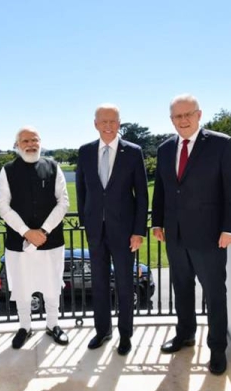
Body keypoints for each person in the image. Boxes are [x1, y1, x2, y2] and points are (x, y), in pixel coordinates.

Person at [152, 94, 231, 375]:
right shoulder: (165, 148)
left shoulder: (221, 144)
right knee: (181, 287)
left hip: (210, 235)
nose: (183, 120)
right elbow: (162, 190)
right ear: (171, 120)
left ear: (199, 114)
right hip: (175, 235)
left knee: (214, 293)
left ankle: (217, 349)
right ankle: (185, 334)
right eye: (177, 116)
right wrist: (157, 222)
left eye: (187, 114)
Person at [75, 103, 149, 356]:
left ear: (120, 124)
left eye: (113, 121)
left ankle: (125, 335)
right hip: (95, 231)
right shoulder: (85, 152)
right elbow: (82, 191)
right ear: (95, 124)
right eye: (103, 121)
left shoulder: (133, 152)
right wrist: (87, 222)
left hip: (125, 232)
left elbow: (142, 195)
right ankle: (102, 331)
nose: (108, 126)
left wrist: (139, 231)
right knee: (98, 283)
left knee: (126, 284)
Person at [0, 126, 70, 349]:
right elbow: (3, 206)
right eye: (25, 141)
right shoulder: (7, 170)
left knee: (51, 285)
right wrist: (27, 232)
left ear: (40, 142)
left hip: (51, 241)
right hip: (19, 243)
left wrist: (44, 231)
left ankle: (53, 325)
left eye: (34, 140)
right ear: (17, 145)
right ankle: (24, 327)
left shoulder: (53, 167)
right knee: (22, 286)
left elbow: (64, 202)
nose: (30, 144)